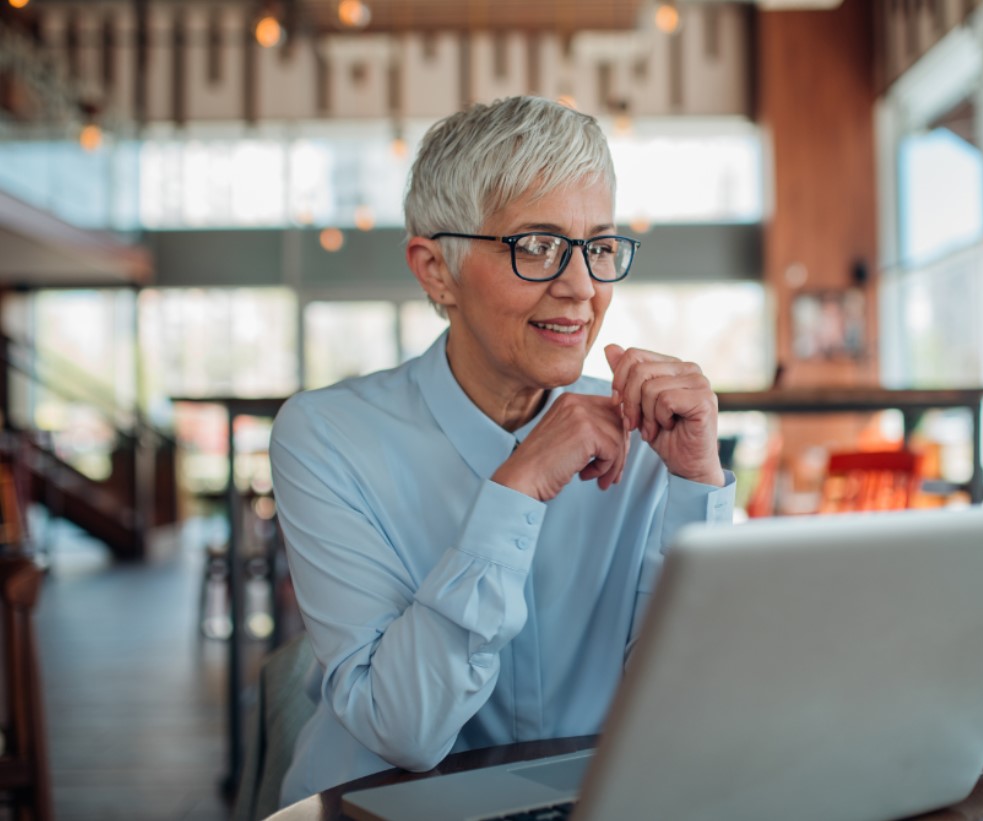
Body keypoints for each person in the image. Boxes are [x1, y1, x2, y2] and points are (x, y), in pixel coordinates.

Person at [270, 95, 737, 806]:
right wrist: (514, 489)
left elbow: (689, 706)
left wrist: (696, 488)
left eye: (599, 247)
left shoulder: (649, 435)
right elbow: (407, 729)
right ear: (435, 271)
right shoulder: (325, 438)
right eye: (537, 245)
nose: (581, 287)